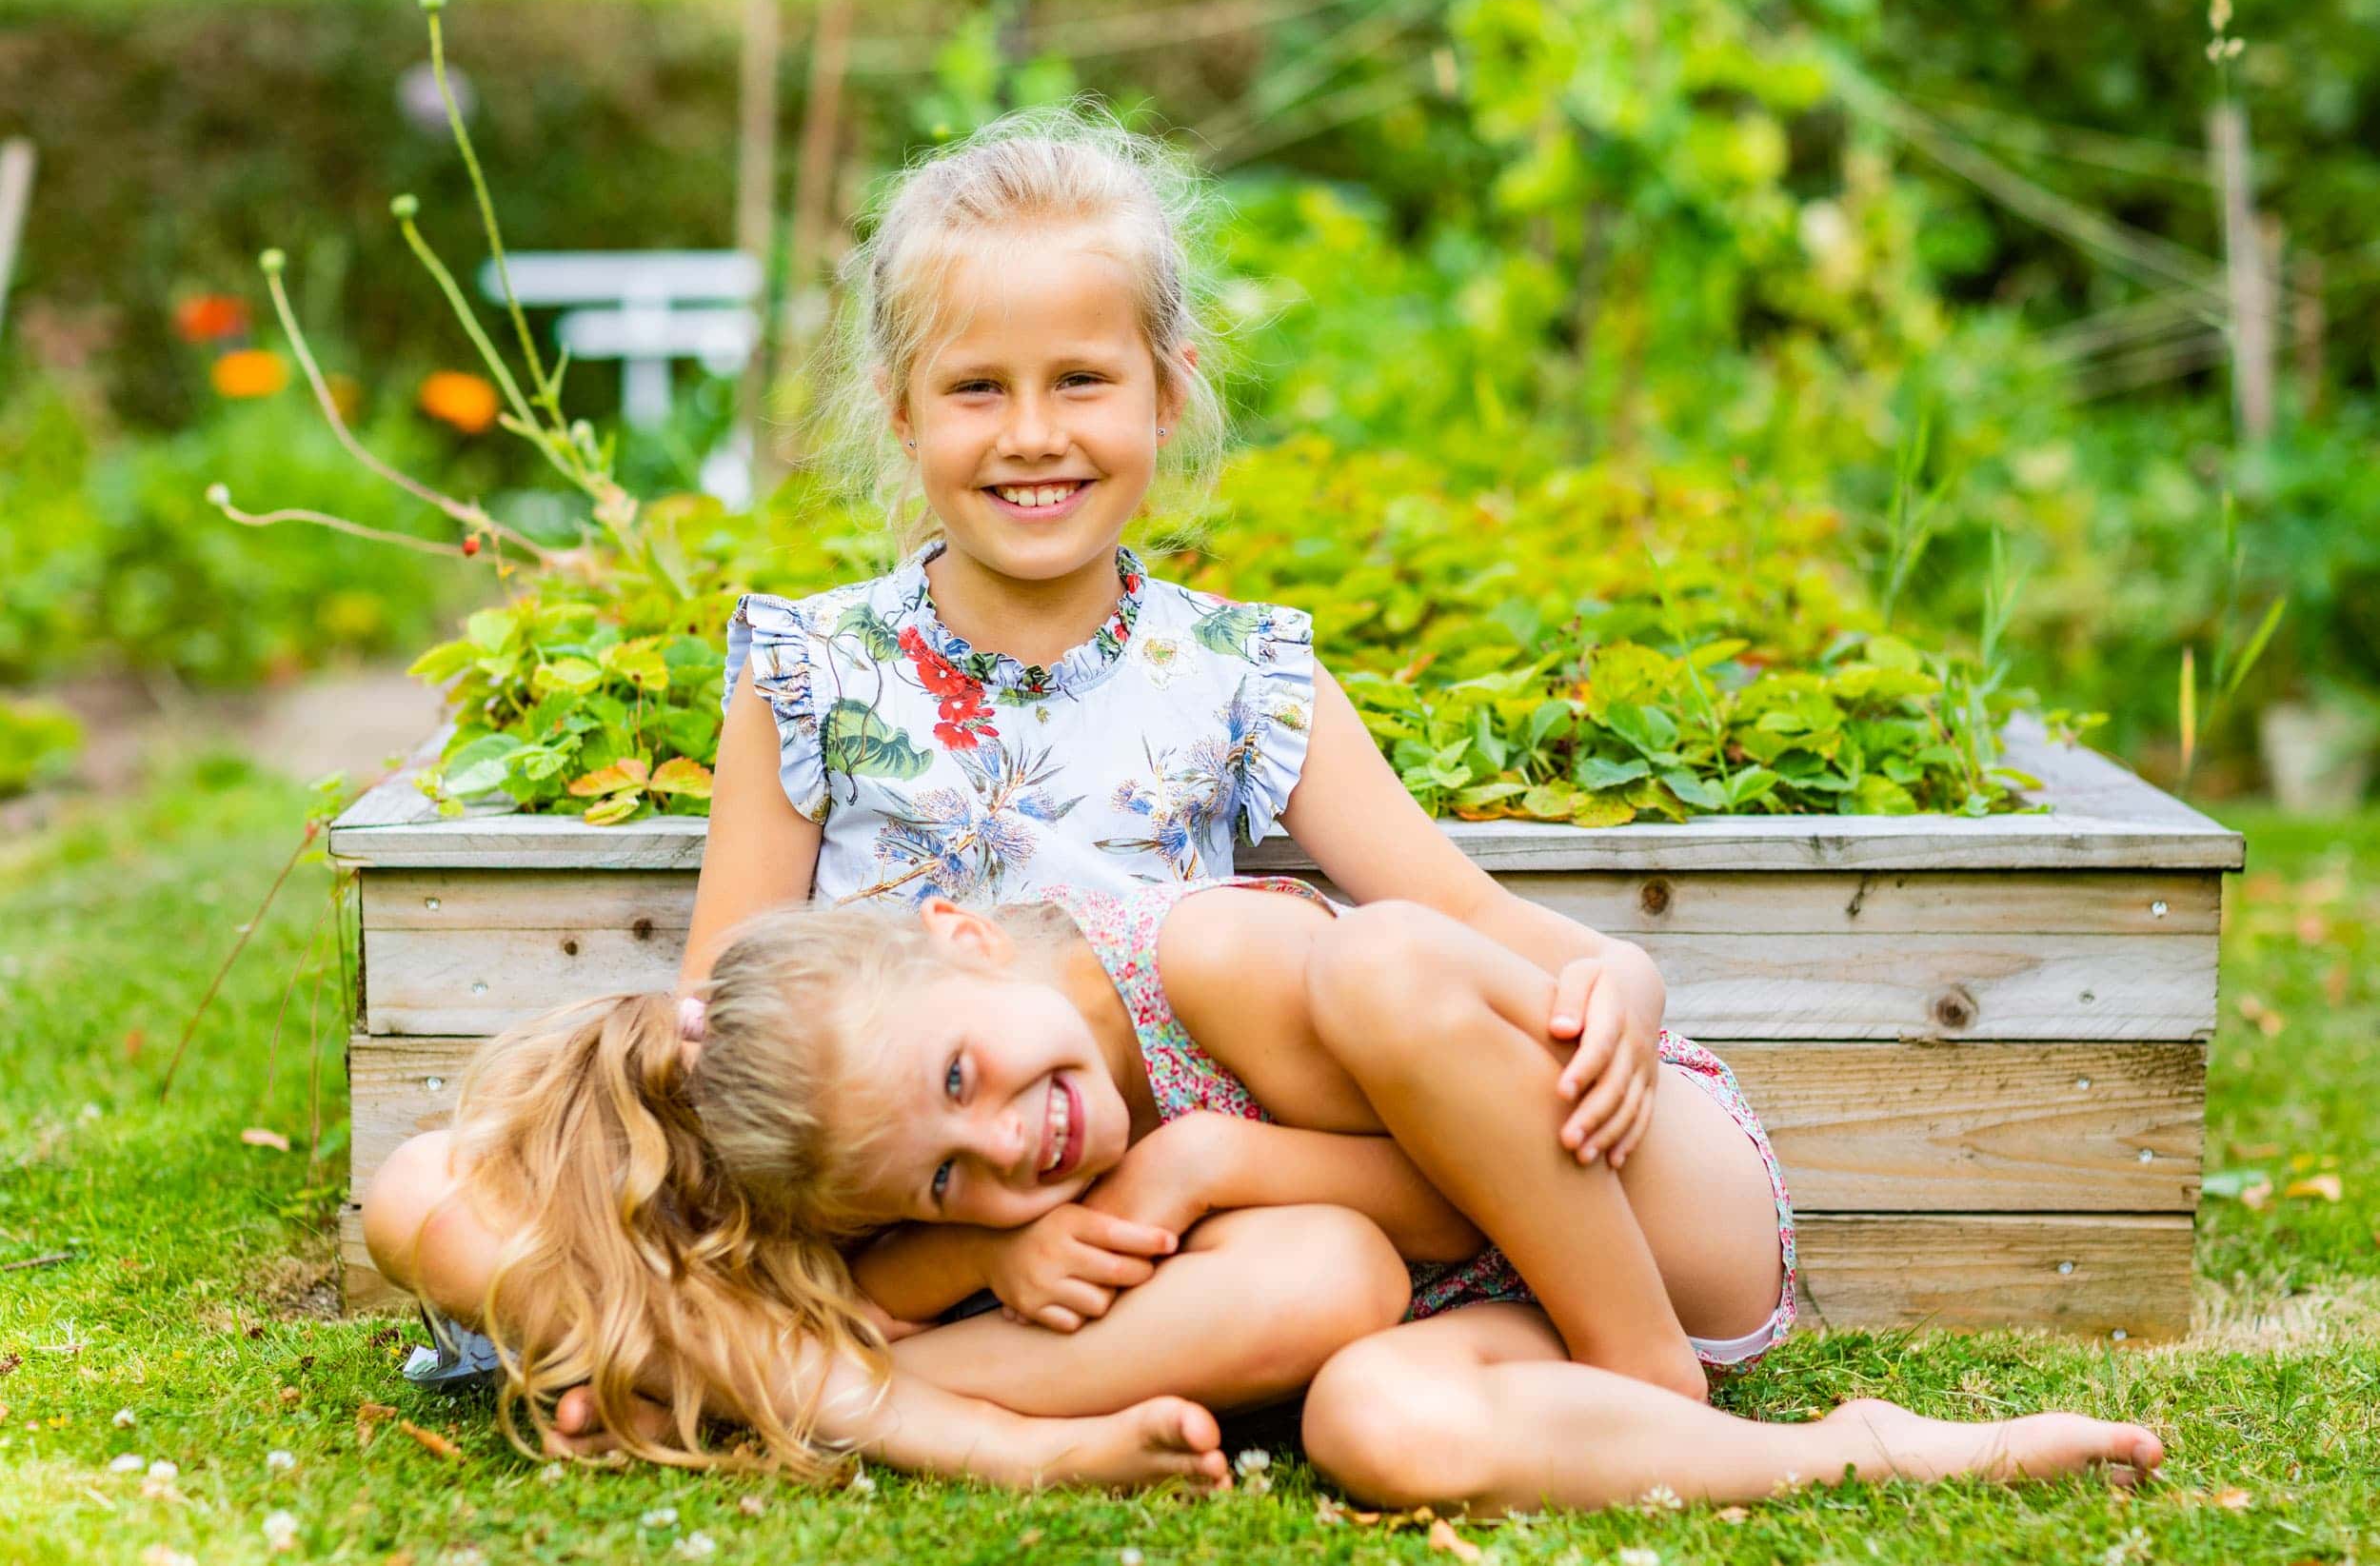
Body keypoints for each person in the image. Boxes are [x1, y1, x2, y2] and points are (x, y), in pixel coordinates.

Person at [386, 99, 1678, 1414]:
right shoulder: (812, 669)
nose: (1031, 434)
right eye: (975, 389)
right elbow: (723, 1003)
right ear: (901, 414)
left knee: (1326, 1273)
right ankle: (805, 1357)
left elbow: (1453, 912)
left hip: (1118, 1203)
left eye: (1080, 381)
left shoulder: (1241, 673)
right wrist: (961, 1245)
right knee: (422, 1191)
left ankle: (780, 1389)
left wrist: (1613, 967)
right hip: (885, 1192)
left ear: (1166, 393)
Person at [376, 876, 2164, 1511]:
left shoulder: (1203, 961)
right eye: (947, 1165)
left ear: (960, 932)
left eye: (961, 1078)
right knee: (1377, 1424)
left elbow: (1473, 1191)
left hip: (1638, 1206)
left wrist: (1217, 1151)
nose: (1011, 1147)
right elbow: (423, 1191)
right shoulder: (972, 1191)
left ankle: (1658, 1388)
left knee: (1387, 969)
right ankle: (1855, 1444)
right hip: (1481, 1321)